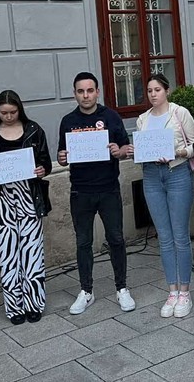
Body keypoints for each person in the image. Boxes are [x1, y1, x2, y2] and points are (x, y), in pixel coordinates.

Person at [57, 72, 136, 315]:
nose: (86, 95)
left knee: (116, 239)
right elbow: (62, 156)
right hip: (80, 191)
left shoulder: (110, 116)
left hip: (108, 188)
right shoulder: (68, 121)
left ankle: (122, 288)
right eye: (81, 91)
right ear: (75, 94)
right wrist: (62, 158)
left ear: (97, 92)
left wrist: (118, 151)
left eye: (90, 90)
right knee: (83, 242)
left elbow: (126, 148)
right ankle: (86, 291)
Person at [0, 90, 52, 325]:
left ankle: (34, 304)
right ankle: (14, 307)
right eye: (3, 113)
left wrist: (42, 170)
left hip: (30, 198)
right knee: (8, 254)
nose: (8, 116)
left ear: (20, 109)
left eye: (12, 112)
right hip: (3, 201)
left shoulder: (34, 130)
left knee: (32, 252)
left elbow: (45, 162)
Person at [134, 73, 194, 318]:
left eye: (157, 89)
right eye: (149, 90)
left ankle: (185, 292)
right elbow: (141, 148)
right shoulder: (142, 119)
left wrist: (178, 151)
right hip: (151, 176)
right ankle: (171, 290)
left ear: (167, 91)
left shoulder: (179, 113)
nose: (152, 94)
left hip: (177, 173)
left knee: (180, 235)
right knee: (164, 236)